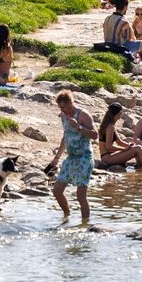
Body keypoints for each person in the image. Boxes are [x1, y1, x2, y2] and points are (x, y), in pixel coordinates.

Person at [51, 90, 97, 225]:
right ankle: (66, 215)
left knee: (80, 195)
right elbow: (65, 137)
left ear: (71, 103)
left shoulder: (83, 115)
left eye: (63, 107)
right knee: (57, 191)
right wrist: (57, 158)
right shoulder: (64, 116)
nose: (62, 110)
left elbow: (95, 135)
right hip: (71, 158)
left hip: (84, 158)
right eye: (60, 107)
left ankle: (85, 224)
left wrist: (79, 127)